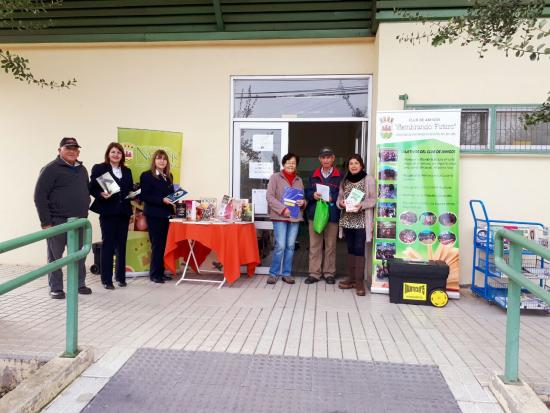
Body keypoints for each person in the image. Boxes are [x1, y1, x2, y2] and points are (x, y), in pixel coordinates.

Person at [34, 137, 92, 299]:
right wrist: (46, 222)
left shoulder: (82, 169)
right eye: (68, 148)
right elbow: (39, 196)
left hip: (79, 220)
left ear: (78, 151)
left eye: (75, 148)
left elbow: (85, 190)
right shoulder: (50, 169)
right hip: (57, 221)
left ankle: (79, 284)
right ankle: (56, 288)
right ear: (59, 150)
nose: (72, 151)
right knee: (55, 256)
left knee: (80, 254)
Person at [89, 142, 134, 290]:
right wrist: (101, 194)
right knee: (108, 245)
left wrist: (133, 194)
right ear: (108, 153)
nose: (116, 155)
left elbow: (128, 189)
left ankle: (121, 277)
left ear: (122, 156)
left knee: (122, 245)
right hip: (108, 212)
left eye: (119, 153)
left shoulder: (127, 171)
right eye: (113, 152)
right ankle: (106, 279)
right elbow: (91, 188)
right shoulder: (100, 168)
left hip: (123, 212)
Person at [336, 154, 376, 296]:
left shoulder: (368, 179)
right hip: (348, 220)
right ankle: (351, 279)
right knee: (351, 249)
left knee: (359, 249)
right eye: (351, 163)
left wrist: (362, 205)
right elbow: (340, 198)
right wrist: (340, 203)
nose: (353, 166)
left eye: (356, 163)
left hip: (361, 221)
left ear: (361, 165)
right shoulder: (345, 180)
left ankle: (359, 282)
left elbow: (373, 199)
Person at [266, 153, 306, 285]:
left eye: (293, 163)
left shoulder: (299, 180)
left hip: (294, 217)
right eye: (288, 162)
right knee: (281, 246)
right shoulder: (275, 177)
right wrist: (282, 209)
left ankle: (287, 273)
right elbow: (270, 197)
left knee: (290, 246)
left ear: (296, 165)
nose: (291, 164)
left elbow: (302, 198)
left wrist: (303, 203)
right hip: (280, 216)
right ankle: (273, 273)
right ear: (284, 163)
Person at [304, 147, 342, 285]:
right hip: (315, 214)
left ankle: (329, 273)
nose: (326, 160)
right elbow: (306, 192)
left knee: (331, 245)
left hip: (332, 214)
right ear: (320, 159)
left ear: (333, 159)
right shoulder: (312, 175)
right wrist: (312, 195)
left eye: (328, 157)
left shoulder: (340, 175)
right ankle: (314, 273)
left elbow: (343, 194)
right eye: (323, 157)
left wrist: (333, 198)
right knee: (315, 245)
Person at [139, 149, 175, 284]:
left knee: (164, 245)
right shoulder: (147, 176)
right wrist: (162, 200)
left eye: (164, 159)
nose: (162, 161)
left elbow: (170, 195)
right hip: (154, 215)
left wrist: (175, 201)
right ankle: (154, 274)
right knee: (157, 245)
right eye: (159, 158)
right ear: (154, 160)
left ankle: (161, 272)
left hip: (167, 215)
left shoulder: (169, 176)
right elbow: (145, 196)